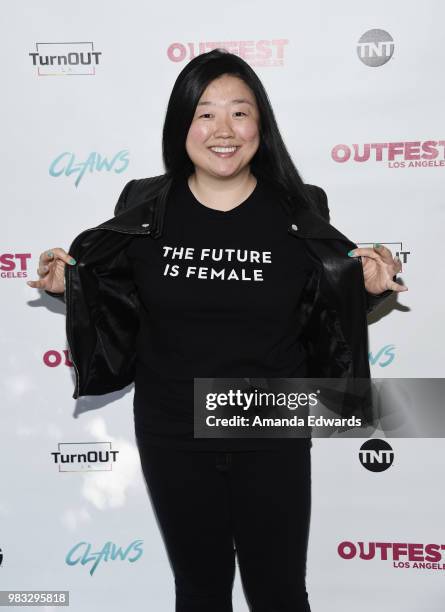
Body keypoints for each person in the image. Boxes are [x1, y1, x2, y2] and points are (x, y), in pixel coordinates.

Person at [27, 49, 406, 612]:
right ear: (182, 123)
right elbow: (115, 301)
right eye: (205, 113)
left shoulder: (301, 207)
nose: (222, 130)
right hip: (172, 427)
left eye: (239, 112)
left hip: (268, 422)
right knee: (200, 593)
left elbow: (327, 311)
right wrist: (71, 287)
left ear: (261, 124)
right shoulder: (142, 204)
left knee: (278, 594)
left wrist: (366, 288)